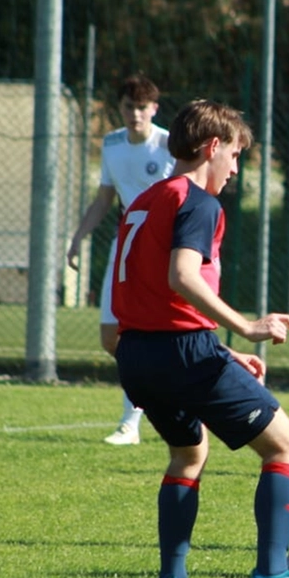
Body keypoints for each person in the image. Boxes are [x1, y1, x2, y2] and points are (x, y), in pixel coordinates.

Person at [111, 99, 289, 578]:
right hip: (182, 353)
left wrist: (225, 352)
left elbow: (157, 297)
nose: (235, 170)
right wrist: (246, 327)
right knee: (287, 449)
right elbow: (182, 278)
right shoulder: (197, 201)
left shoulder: (147, 199)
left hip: (137, 356)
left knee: (188, 454)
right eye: (235, 156)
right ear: (213, 148)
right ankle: (273, 576)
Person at [67, 74, 176, 446]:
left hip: (162, 247)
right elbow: (103, 200)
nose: (135, 114)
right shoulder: (112, 144)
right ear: (121, 108)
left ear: (154, 109)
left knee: (146, 333)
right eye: (129, 107)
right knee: (111, 336)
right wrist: (79, 237)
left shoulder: (168, 144)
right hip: (126, 243)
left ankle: (130, 422)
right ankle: (153, 399)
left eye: (143, 107)